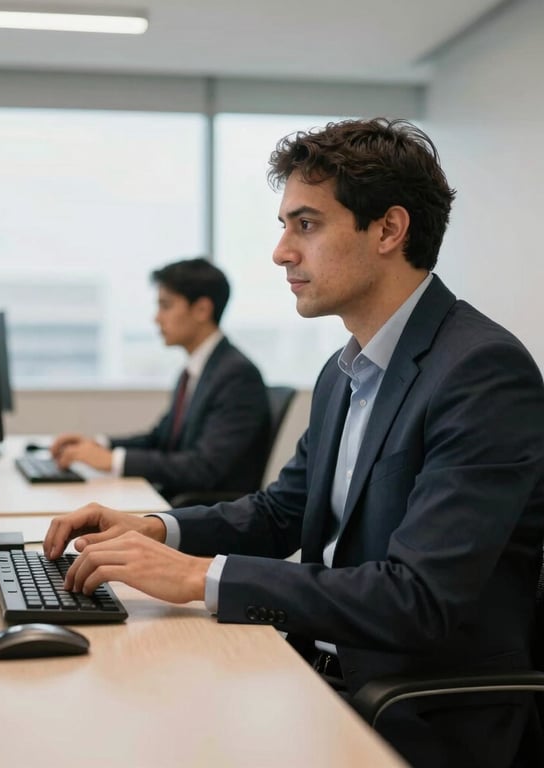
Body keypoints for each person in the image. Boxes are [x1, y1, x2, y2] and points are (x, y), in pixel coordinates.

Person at [44, 118, 544, 767]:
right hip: (319, 663)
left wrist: (201, 576)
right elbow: (281, 513)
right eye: (285, 227)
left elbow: (418, 599)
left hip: (413, 709)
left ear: (389, 230)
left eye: (305, 225)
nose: (282, 252)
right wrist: (154, 529)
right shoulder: (346, 371)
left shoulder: (481, 372)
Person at [50, 257, 271, 502]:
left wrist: (112, 461)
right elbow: (160, 439)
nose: (157, 318)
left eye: (166, 306)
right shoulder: (196, 370)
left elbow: (204, 468)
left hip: (207, 512)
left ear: (201, 310)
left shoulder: (237, 375)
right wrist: (100, 445)